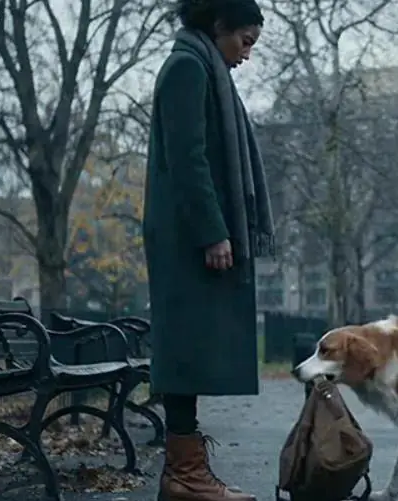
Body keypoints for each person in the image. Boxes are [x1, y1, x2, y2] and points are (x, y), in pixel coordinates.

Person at [142, 0, 275, 499]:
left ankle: (186, 470)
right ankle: (184, 474)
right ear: (218, 26)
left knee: (191, 347)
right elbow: (188, 157)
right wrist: (213, 232)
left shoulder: (198, 65)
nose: (246, 54)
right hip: (186, 237)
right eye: (244, 40)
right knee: (185, 350)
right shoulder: (186, 68)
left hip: (190, 234)